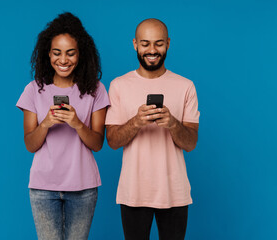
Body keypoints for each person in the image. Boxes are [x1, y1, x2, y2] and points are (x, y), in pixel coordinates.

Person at [16, 12, 109, 240]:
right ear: (48, 54)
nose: (63, 60)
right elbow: (30, 144)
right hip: (42, 188)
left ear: (80, 54)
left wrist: (77, 123)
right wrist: (46, 123)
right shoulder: (34, 90)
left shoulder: (96, 90)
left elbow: (97, 143)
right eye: (57, 53)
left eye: (70, 53)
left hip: (83, 187)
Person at [105, 18, 200, 240]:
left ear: (168, 43)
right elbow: (112, 141)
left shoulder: (186, 86)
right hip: (134, 192)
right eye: (145, 43)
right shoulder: (119, 85)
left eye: (158, 43)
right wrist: (136, 122)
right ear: (135, 44)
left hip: (174, 192)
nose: (152, 50)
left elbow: (191, 143)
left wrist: (173, 124)